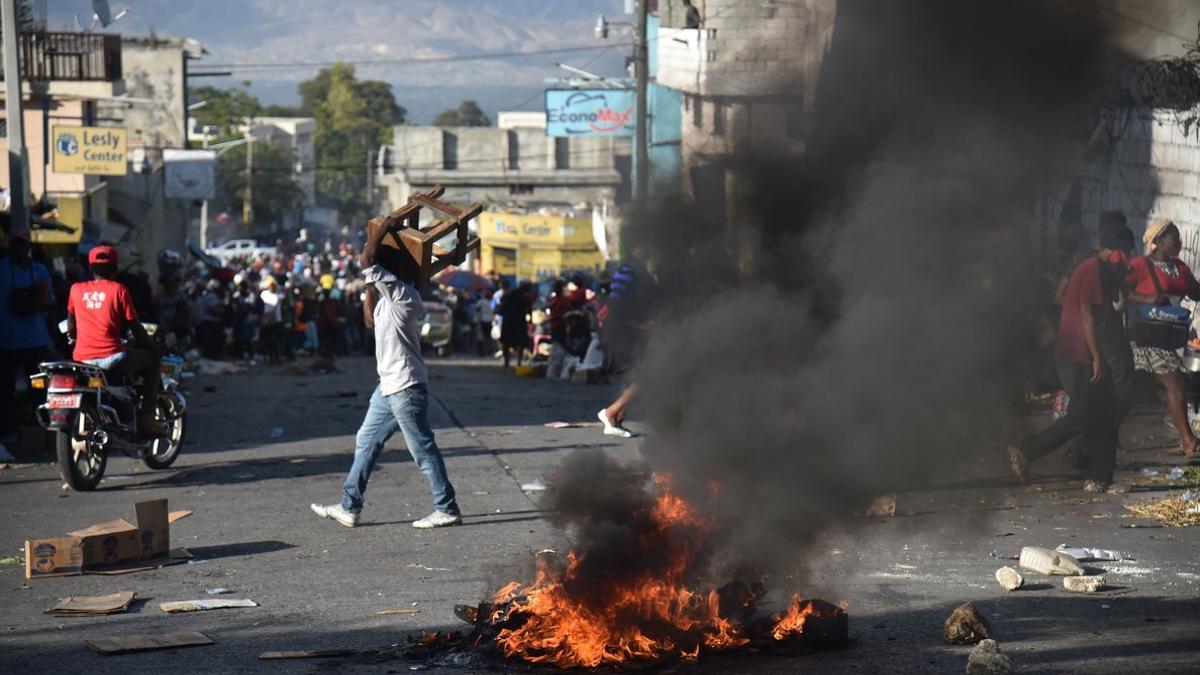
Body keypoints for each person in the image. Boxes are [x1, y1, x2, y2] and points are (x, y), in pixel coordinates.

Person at [311, 215, 461, 529]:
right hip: (388, 387)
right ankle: (349, 506)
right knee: (366, 440)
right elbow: (368, 320)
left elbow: (365, 257)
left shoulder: (404, 296)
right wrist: (369, 287)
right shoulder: (387, 301)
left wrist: (386, 225)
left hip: (405, 386)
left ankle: (446, 508)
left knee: (422, 448)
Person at [1008, 222, 1135, 493]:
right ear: (1113, 249)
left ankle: (1102, 476)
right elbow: (1087, 315)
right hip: (1077, 355)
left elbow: (1112, 304)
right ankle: (1027, 450)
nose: (1127, 258)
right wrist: (1098, 357)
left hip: (1086, 354)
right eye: (1124, 252)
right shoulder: (1091, 268)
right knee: (1082, 415)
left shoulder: (1103, 270)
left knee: (1105, 412)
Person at [67, 246, 166, 438]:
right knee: (153, 362)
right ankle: (147, 419)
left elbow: (72, 326)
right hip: (112, 356)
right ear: (114, 268)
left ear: (90, 267)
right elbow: (135, 327)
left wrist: (79, 339)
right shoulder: (119, 289)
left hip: (82, 359)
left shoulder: (76, 289)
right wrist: (154, 348)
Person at [1125, 218, 1200, 457]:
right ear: (1158, 241)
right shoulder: (1139, 266)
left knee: (1130, 392)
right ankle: (1189, 441)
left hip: (1173, 336)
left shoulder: (1180, 267)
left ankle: (1091, 433)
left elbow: (1195, 291)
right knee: (1174, 381)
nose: (1178, 242)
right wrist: (1145, 300)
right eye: (1173, 237)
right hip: (1148, 337)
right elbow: (1118, 291)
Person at [598, 232, 657, 438]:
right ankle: (610, 412)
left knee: (634, 377)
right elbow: (616, 304)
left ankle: (615, 420)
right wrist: (639, 325)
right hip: (622, 332)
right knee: (645, 375)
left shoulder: (639, 270)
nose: (650, 249)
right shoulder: (627, 270)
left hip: (631, 332)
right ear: (637, 247)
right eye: (646, 244)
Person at [0, 230, 55, 447]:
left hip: (35, 338)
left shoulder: (39, 270)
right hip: (7, 340)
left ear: (28, 246)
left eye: (23, 244)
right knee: (5, 388)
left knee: (38, 386)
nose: (19, 249)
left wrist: (39, 301)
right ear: (10, 246)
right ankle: (6, 428)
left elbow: (50, 300)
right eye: (16, 244)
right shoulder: (2, 269)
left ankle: (41, 427)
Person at [499, 282, 533, 369]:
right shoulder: (524, 296)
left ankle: (507, 362)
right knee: (520, 342)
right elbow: (529, 308)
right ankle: (518, 362)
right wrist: (530, 319)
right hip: (518, 320)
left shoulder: (510, 293)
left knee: (506, 341)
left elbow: (502, 304)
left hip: (508, 320)